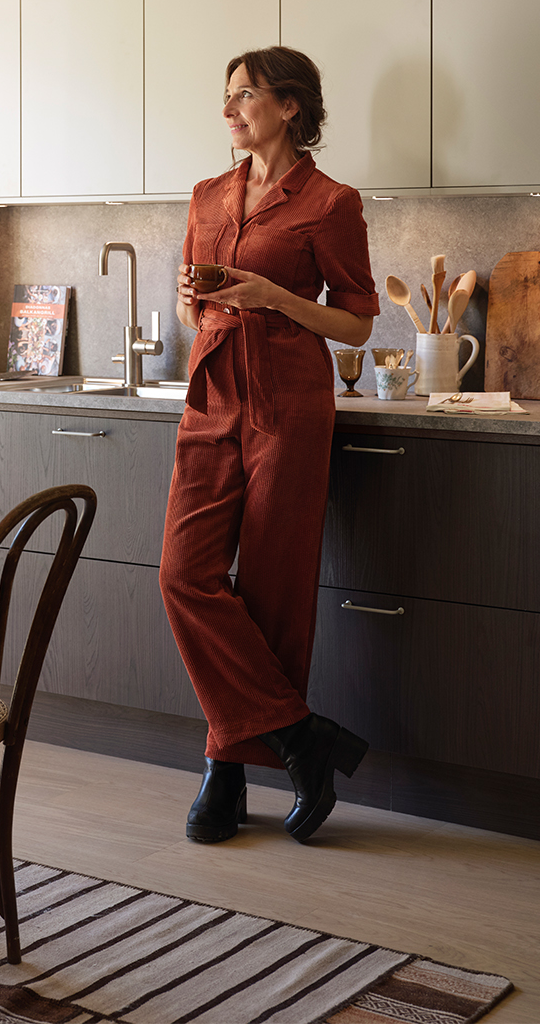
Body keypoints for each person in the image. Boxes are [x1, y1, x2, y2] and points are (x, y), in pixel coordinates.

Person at [158, 46, 380, 845]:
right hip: (213, 391)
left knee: (273, 589)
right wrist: (191, 299)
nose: (229, 109)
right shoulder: (207, 195)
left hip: (288, 398)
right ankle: (298, 735)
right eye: (227, 95)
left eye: (245, 94)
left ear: (289, 106)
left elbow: (356, 321)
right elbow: (190, 312)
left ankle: (224, 770)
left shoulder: (330, 202)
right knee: (183, 575)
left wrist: (275, 297)